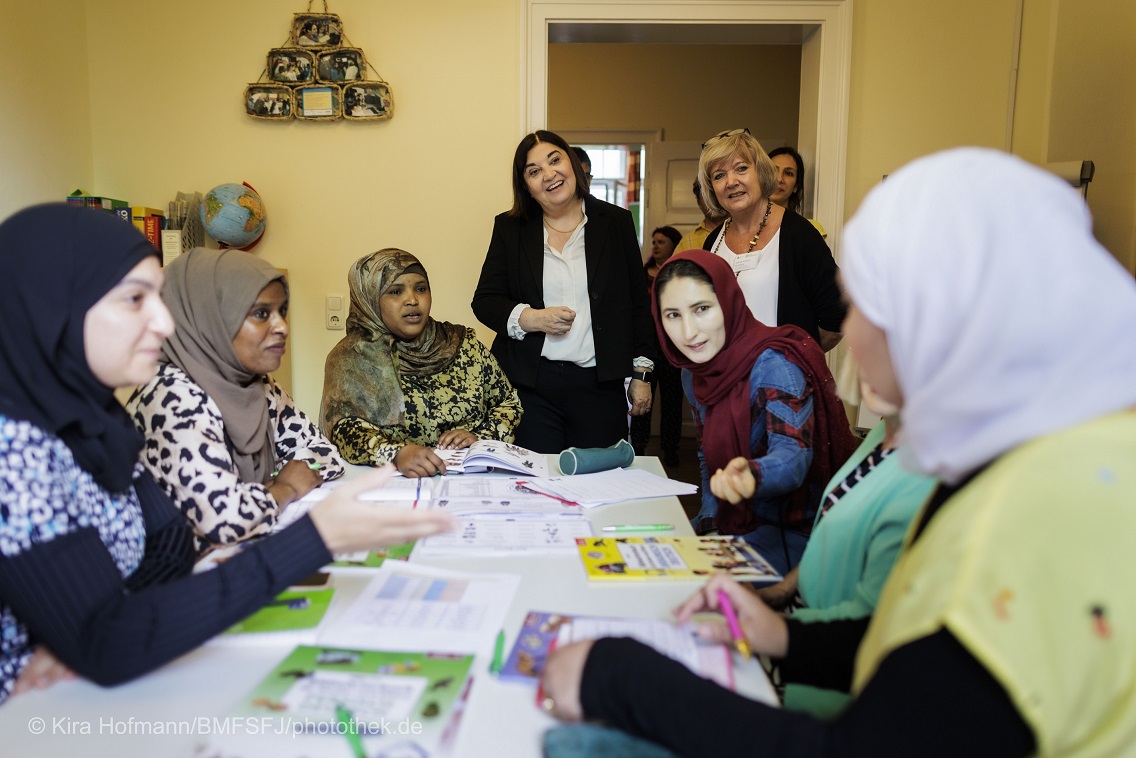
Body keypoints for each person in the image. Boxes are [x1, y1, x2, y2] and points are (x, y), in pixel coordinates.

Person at [539, 148, 1136, 756]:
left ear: (930, 317)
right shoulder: (1040, 449)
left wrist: (615, 677)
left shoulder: (1050, 507)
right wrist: (785, 636)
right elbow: (918, 645)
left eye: (861, 306)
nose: (847, 334)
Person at [0, 204, 452, 705]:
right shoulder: (12, 448)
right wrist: (313, 534)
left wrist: (90, 632)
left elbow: (169, 547)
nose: (161, 321)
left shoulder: (93, 415)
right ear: (53, 305)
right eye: (134, 299)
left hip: (97, 684)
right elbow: (109, 640)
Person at [650, 250, 855, 574]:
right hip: (731, 523)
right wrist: (709, 523)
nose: (688, 332)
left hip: (789, 535)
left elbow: (794, 455)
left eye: (701, 309)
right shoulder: (695, 368)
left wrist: (750, 475)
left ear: (729, 302)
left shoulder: (774, 364)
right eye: (672, 315)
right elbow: (707, 456)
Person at [747, 369, 937, 718]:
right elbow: (834, 536)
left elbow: (870, 626)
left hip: (826, 679)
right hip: (803, 631)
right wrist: (780, 591)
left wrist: (772, 631)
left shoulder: (930, 474)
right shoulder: (884, 432)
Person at [127, 248, 345, 552]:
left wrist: (259, 492)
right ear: (209, 318)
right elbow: (225, 521)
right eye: (261, 313)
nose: (282, 326)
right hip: (182, 578)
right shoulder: (170, 396)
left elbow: (325, 454)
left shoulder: (255, 384)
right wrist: (285, 487)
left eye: (282, 311)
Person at [472, 130, 655, 453]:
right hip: (530, 387)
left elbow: (639, 304)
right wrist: (531, 318)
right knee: (535, 485)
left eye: (554, 160)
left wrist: (642, 375)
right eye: (534, 171)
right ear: (526, 186)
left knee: (599, 486)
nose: (549, 174)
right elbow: (485, 301)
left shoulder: (616, 222)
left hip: (600, 385)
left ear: (572, 163)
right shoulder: (510, 228)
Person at [321, 248, 522, 478]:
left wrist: (481, 438)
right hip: (393, 484)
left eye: (421, 288)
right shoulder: (351, 358)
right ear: (369, 300)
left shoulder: (462, 344)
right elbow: (344, 429)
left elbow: (508, 403)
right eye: (395, 291)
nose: (412, 300)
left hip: (469, 479)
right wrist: (396, 454)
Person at [699, 129, 845, 351]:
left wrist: (794, 361)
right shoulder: (712, 242)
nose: (731, 181)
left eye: (741, 168)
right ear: (712, 188)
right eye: (719, 175)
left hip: (781, 382)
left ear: (761, 172)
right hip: (722, 381)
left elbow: (836, 318)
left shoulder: (799, 234)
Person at [629, 225, 684, 466]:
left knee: (672, 401)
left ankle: (670, 449)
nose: (656, 246)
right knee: (643, 396)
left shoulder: (680, 274)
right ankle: (638, 447)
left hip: (673, 346)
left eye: (662, 242)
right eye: (654, 242)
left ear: (674, 244)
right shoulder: (642, 274)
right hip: (647, 347)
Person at [768, 146, 826, 238]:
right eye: (773, 170)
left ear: (796, 186)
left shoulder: (808, 228)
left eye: (789, 173)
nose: (779, 179)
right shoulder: (741, 226)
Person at [675, 179, 723, 253]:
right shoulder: (686, 243)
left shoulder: (745, 233)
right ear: (699, 203)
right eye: (707, 197)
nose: (712, 202)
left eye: (716, 195)